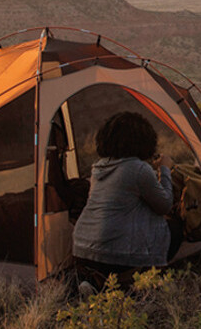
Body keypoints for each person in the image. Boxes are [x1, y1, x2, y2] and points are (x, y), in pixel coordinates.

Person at [72, 112, 179, 288]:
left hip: (81, 250)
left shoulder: (99, 167)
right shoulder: (138, 169)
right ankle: (135, 280)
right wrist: (165, 170)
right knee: (173, 230)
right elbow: (165, 205)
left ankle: (96, 282)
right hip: (113, 254)